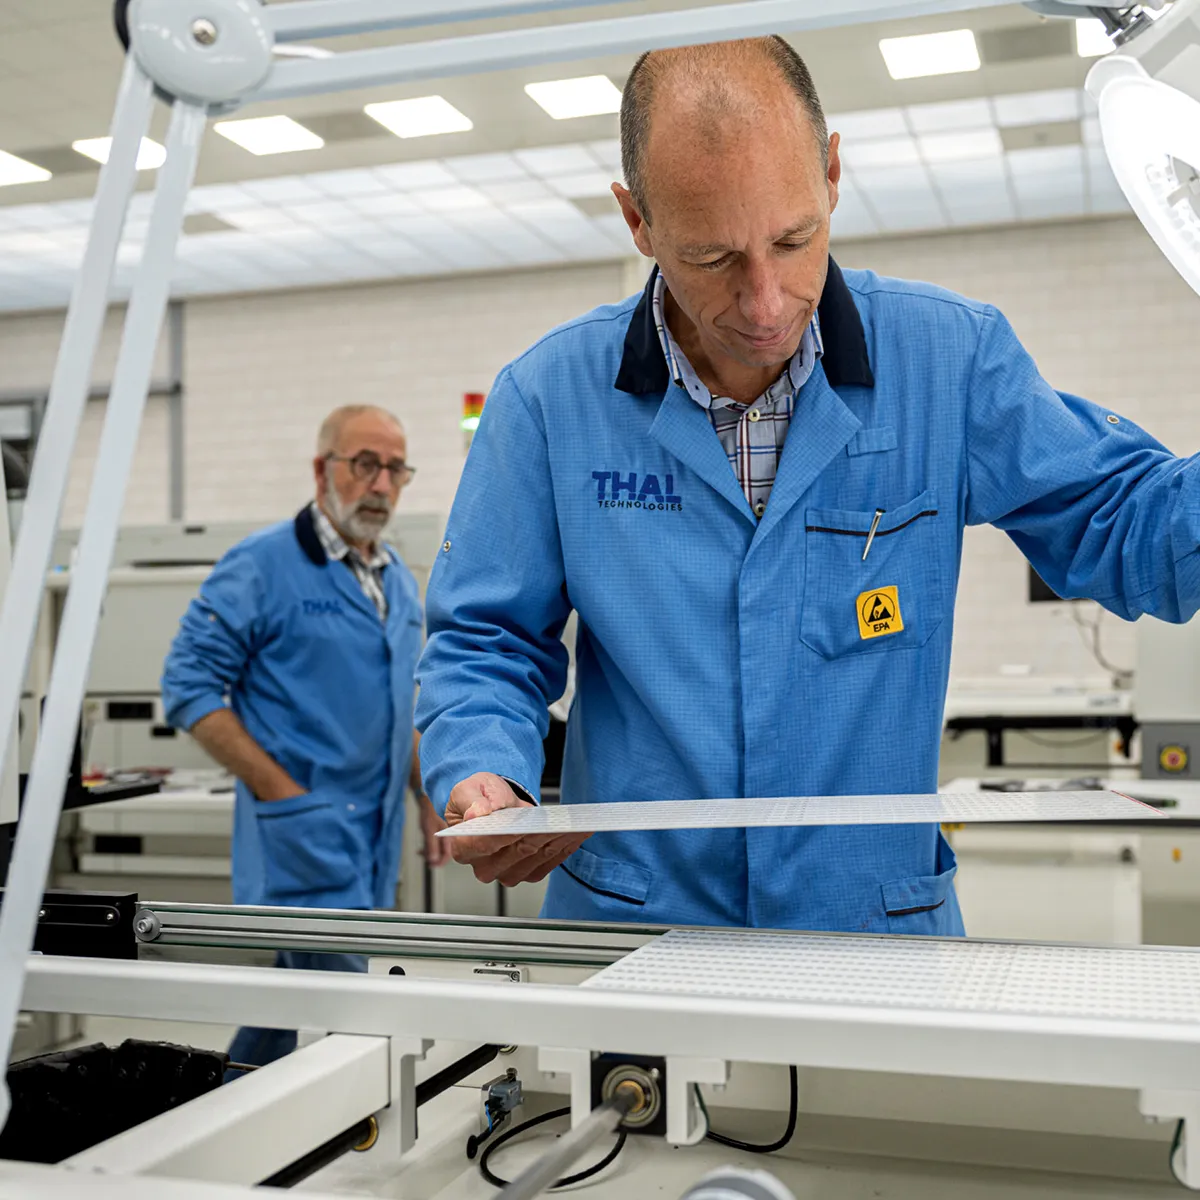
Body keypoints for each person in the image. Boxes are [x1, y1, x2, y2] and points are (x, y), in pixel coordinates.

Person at [415, 36, 1200, 935]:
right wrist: (486, 767)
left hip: (874, 925)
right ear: (638, 222)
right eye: (713, 258)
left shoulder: (950, 359)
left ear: (832, 175)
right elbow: (485, 637)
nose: (765, 303)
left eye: (793, 241)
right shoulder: (549, 399)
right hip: (637, 932)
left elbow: (1132, 529)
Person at [162, 404, 446, 1070]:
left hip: (371, 841)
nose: (381, 485)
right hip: (300, 834)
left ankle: (216, 1111)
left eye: (395, 469)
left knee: (296, 1008)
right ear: (324, 470)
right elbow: (188, 686)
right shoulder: (261, 565)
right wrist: (281, 790)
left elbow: (395, 703)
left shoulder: (396, 580)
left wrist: (423, 791)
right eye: (365, 465)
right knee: (349, 1014)